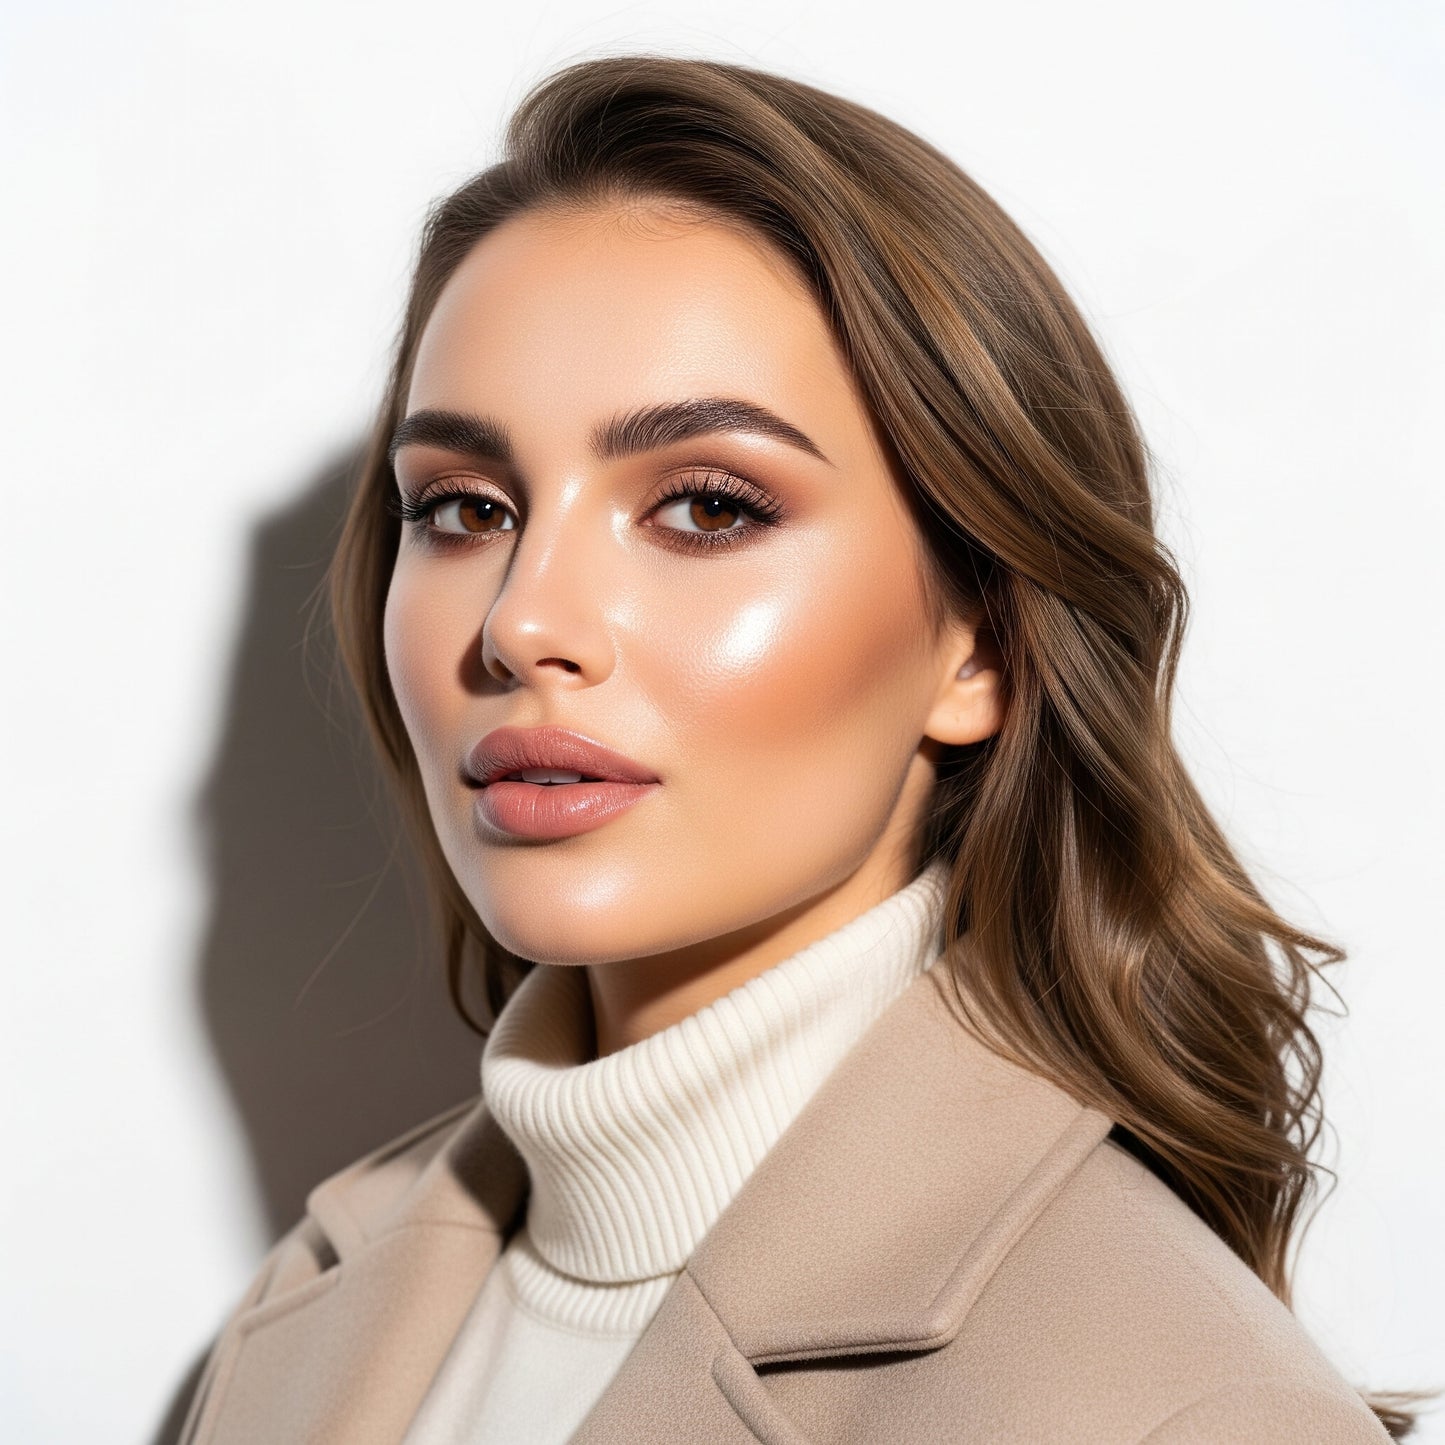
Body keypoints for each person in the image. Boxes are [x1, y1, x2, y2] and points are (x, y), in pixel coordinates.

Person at [176, 53, 1419, 1444]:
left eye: (705, 506)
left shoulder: (1173, 1407)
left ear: (981, 646)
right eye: (463, 508)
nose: (524, 621)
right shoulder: (314, 1301)